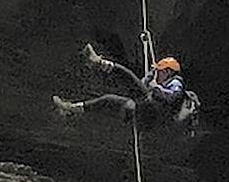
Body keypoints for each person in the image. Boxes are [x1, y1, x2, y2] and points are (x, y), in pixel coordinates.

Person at [54, 43, 199, 128]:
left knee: (127, 75)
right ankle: (71, 109)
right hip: (148, 111)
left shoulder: (176, 83)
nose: (158, 74)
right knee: (108, 99)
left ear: (168, 72)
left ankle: (97, 62)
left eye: (160, 71)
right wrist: (149, 78)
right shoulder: (163, 80)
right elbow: (141, 88)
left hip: (155, 114)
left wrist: (155, 86)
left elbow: (169, 98)